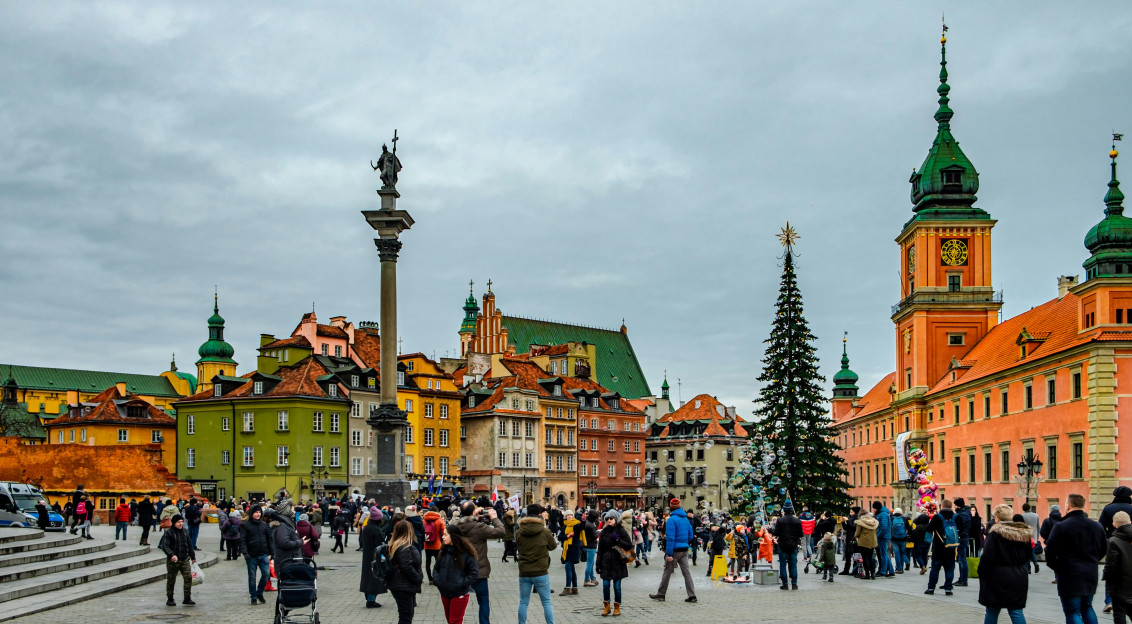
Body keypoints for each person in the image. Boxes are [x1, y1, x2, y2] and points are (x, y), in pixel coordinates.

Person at [1046, 493, 1107, 624]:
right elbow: (1103, 549)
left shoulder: (1061, 526)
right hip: (1090, 572)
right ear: (1083, 505)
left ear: (1067, 506)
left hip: (1069, 573)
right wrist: (1093, 560)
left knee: (1072, 611)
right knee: (1087, 607)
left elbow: (1050, 551)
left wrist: (1058, 567)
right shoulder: (1096, 526)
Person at [448, 500, 504, 624]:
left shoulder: (455, 527)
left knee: (457, 600)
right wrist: (494, 518)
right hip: (478, 570)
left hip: (459, 570)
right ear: (474, 511)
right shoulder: (479, 527)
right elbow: (501, 532)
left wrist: (472, 516)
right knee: (483, 600)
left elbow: (452, 525)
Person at [978, 504, 1031, 624]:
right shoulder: (1023, 533)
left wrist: (981, 572)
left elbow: (987, 557)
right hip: (1018, 574)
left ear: (997, 518)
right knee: (1016, 611)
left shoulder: (995, 533)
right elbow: (1028, 554)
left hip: (997, 575)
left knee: (992, 610)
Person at [649, 497, 697, 603]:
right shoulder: (685, 519)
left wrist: (669, 553)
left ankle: (661, 594)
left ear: (671, 508)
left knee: (667, 572)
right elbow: (690, 535)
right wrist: (685, 543)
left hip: (674, 550)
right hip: (684, 549)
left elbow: (670, 538)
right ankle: (692, 595)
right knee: (686, 573)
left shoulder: (671, 520)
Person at [516, 504, 557, 624]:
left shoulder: (519, 531)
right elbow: (553, 546)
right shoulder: (544, 531)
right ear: (540, 515)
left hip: (524, 571)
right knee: (546, 602)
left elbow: (518, 546)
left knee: (523, 602)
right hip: (540, 571)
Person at [433, 523, 480, 624]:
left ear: (453, 536)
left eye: (445, 534)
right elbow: (436, 568)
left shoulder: (466, 553)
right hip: (445, 592)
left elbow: (474, 573)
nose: (443, 537)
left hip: (459, 593)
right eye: (443, 534)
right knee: (450, 620)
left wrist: (461, 583)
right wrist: (438, 581)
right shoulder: (443, 551)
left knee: (454, 621)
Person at [386, 520, 423, 624]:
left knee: (406, 615)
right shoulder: (403, 546)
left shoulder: (397, 544)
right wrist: (418, 578)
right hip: (403, 585)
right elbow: (406, 567)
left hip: (402, 584)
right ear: (409, 531)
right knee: (406, 616)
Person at [597, 509, 632, 616]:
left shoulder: (621, 530)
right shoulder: (604, 531)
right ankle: (606, 606)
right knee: (606, 585)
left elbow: (629, 545)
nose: (608, 520)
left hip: (618, 561)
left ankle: (617, 606)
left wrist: (618, 540)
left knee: (617, 586)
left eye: (611, 518)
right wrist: (598, 564)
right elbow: (600, 549)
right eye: (607, 519)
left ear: (616, 519)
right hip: (606, 561)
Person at [158, 514, 196, 606]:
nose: (181, 524)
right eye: (178, 522)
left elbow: (189, 545)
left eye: (182, 522)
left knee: (188, 578)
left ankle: (187, 598)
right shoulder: (169, 532)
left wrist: (193, 557)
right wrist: (171, 555)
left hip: (184, 559)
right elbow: (165, 546)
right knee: (171, 579)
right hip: (173, 560)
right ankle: (170, 599)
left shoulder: (185, 532)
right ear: (174, 523)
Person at [238, 505, 273, 605]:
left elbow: (269, 540)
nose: (258, 514)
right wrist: (245, 553)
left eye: (259, 512)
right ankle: (253, 596)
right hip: (251, 556)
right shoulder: (245, 525)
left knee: (266, 574)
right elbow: (242, 540)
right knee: (252, 577)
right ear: (251, 513)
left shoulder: (264, 525)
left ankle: (259, 592)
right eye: (256, 512)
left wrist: (271, 553)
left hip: (263, 555)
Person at [926, 499, 959, 596]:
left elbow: (929, 529)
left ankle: (931, 588)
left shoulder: (937, 517)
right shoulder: (956, 517)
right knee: (950, 568)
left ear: (942, 506)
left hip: (938, 547)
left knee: (935, 568)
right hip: (951, 547)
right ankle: (948, 588)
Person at [1105, 511, 1132, 624]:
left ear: (1114, 525)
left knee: (1119, 615)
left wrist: (1107, 579)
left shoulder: (1113, 541)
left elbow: (1111, 565)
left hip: (1119, 584)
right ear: (1130, 522)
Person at [359, 507, 387, 608]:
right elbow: (380, 545)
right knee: (374, 578)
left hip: (367, 556)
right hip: (375, 556)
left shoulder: (366, 527)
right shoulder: (376, 530)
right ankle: (371, 600)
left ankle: (368, 598)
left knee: (367, 577)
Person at [774, 500, 804, 590]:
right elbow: (801, 534)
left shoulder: (780, 520)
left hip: (782, 545)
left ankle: (785, 584)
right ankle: (794, 584)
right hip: (793, 545)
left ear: (784, 510)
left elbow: (776, 533)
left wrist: (770, 530)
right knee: (793, 564)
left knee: (783, 564)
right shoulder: (797, 520)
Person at [558, 510, 584, 595]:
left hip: (574, 549)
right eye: (568, 515)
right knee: (572, 569)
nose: (569, 516)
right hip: (566, 549)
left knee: (568, 567)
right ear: (565, 517)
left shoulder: (576, 525)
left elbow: (582, 527)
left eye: (571, 515)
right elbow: (559, 537)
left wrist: (583, 520)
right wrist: (567, 536)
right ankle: (575, 588)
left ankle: (568, 587)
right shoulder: (564, 527)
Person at [422, 507, 446, 583]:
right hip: (437, 545)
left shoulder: (424, 520)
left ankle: (430, 579)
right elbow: (444, 533)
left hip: (427, 544)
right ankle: (436, 578)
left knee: (427, 562)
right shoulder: (439, 521)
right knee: (438, 562)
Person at [855, 511, 879, 580]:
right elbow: (875, 532)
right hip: (872, 542)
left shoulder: (860, 522)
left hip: (864, 542)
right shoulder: (874, 522)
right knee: (871, 558)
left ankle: (867, 574)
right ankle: (873, 574)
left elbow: (857, 533)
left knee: (865, 558)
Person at [1021, 503, 1041, 573]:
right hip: (1034, 535)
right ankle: (1034, 563)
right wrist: (1037, 536)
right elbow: (1038, 527)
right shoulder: (1036, 515)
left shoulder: (1022, 516)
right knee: (1031, 550)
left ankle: (1029, 567)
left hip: (1025, 536)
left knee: (1027, 552)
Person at [583, 510, 599, 584]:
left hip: (585, 545)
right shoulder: (591, 525)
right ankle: (586, 580)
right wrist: (599, 532)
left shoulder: (585, 522)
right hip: (591, 546)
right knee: (590, 563)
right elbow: (594, 536)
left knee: (591, 563)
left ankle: (592, 578)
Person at [891, 507, 909, 573]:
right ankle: (903, 565)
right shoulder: (904, 519)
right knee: (902, 552)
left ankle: (899, 568)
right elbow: (909, 528)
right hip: (903, 538)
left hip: (894, 538)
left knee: (897, 553)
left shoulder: (892, 518)